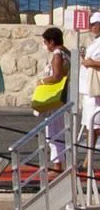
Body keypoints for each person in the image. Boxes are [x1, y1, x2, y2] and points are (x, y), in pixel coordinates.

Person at [35, 26, 71, 177]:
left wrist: (42, 81)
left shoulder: (57, 54)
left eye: (45, 42)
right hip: (64, 96)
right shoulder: (67, 52)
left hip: (56, 97)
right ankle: (61, 163)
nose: (45, 45)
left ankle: (57, 166)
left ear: (51, 42)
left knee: (53, 131)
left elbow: (57, 76)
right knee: (60, 130)